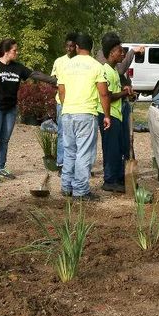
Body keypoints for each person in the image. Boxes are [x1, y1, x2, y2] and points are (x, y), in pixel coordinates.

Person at [0, 38, 56, 179]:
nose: (17, 52)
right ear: (6, 52)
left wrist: (54, 80)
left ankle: (0, 167)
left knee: (5, 139)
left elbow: (34, 74)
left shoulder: (17, 67)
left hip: (10, 109)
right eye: (14, 50)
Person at [57, 34, 111, 200]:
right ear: (91, 48)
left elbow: (61, 90)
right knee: (84, 153)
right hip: (86, 114)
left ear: (77, 47)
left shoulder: (66, 65)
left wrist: (67, 107)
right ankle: (80, 191)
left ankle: (66, 187)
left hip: (67, 113)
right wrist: (107, 115)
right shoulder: (97, 66)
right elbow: (103, 93)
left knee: (69, 151)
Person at [97, 33, 133, 193]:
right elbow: (108, 96)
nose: (123, 54)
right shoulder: (105, 70)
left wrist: (124, 89)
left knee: (118, 148)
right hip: (108, 114)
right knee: (111, 148)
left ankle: (118, 178)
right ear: (111, 53)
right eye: (120, 51)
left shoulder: (113, 71)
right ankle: (109, 180)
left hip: (116, 114)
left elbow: (115, 91)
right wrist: (124, 94)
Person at [51, 33, 78, 171]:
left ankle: (76, 163)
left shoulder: (81, 62)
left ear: (76, 47)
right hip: (62, 102)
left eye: (72, 46)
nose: (70, 49)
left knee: (76, 134)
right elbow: (53, 80)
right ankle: (61, 162)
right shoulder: (59, 61)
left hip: (77, 102)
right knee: (62, 132)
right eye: (67, 46)